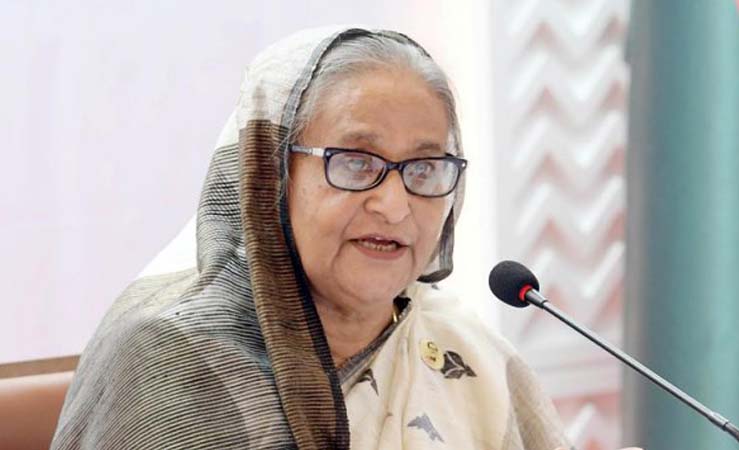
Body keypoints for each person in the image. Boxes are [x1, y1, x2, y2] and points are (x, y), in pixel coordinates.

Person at [51, 26, 640, 450]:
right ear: (271, 176)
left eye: (424, 168)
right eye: (356, 163)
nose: (395, 204)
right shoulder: (174, 360)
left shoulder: (461, 348)